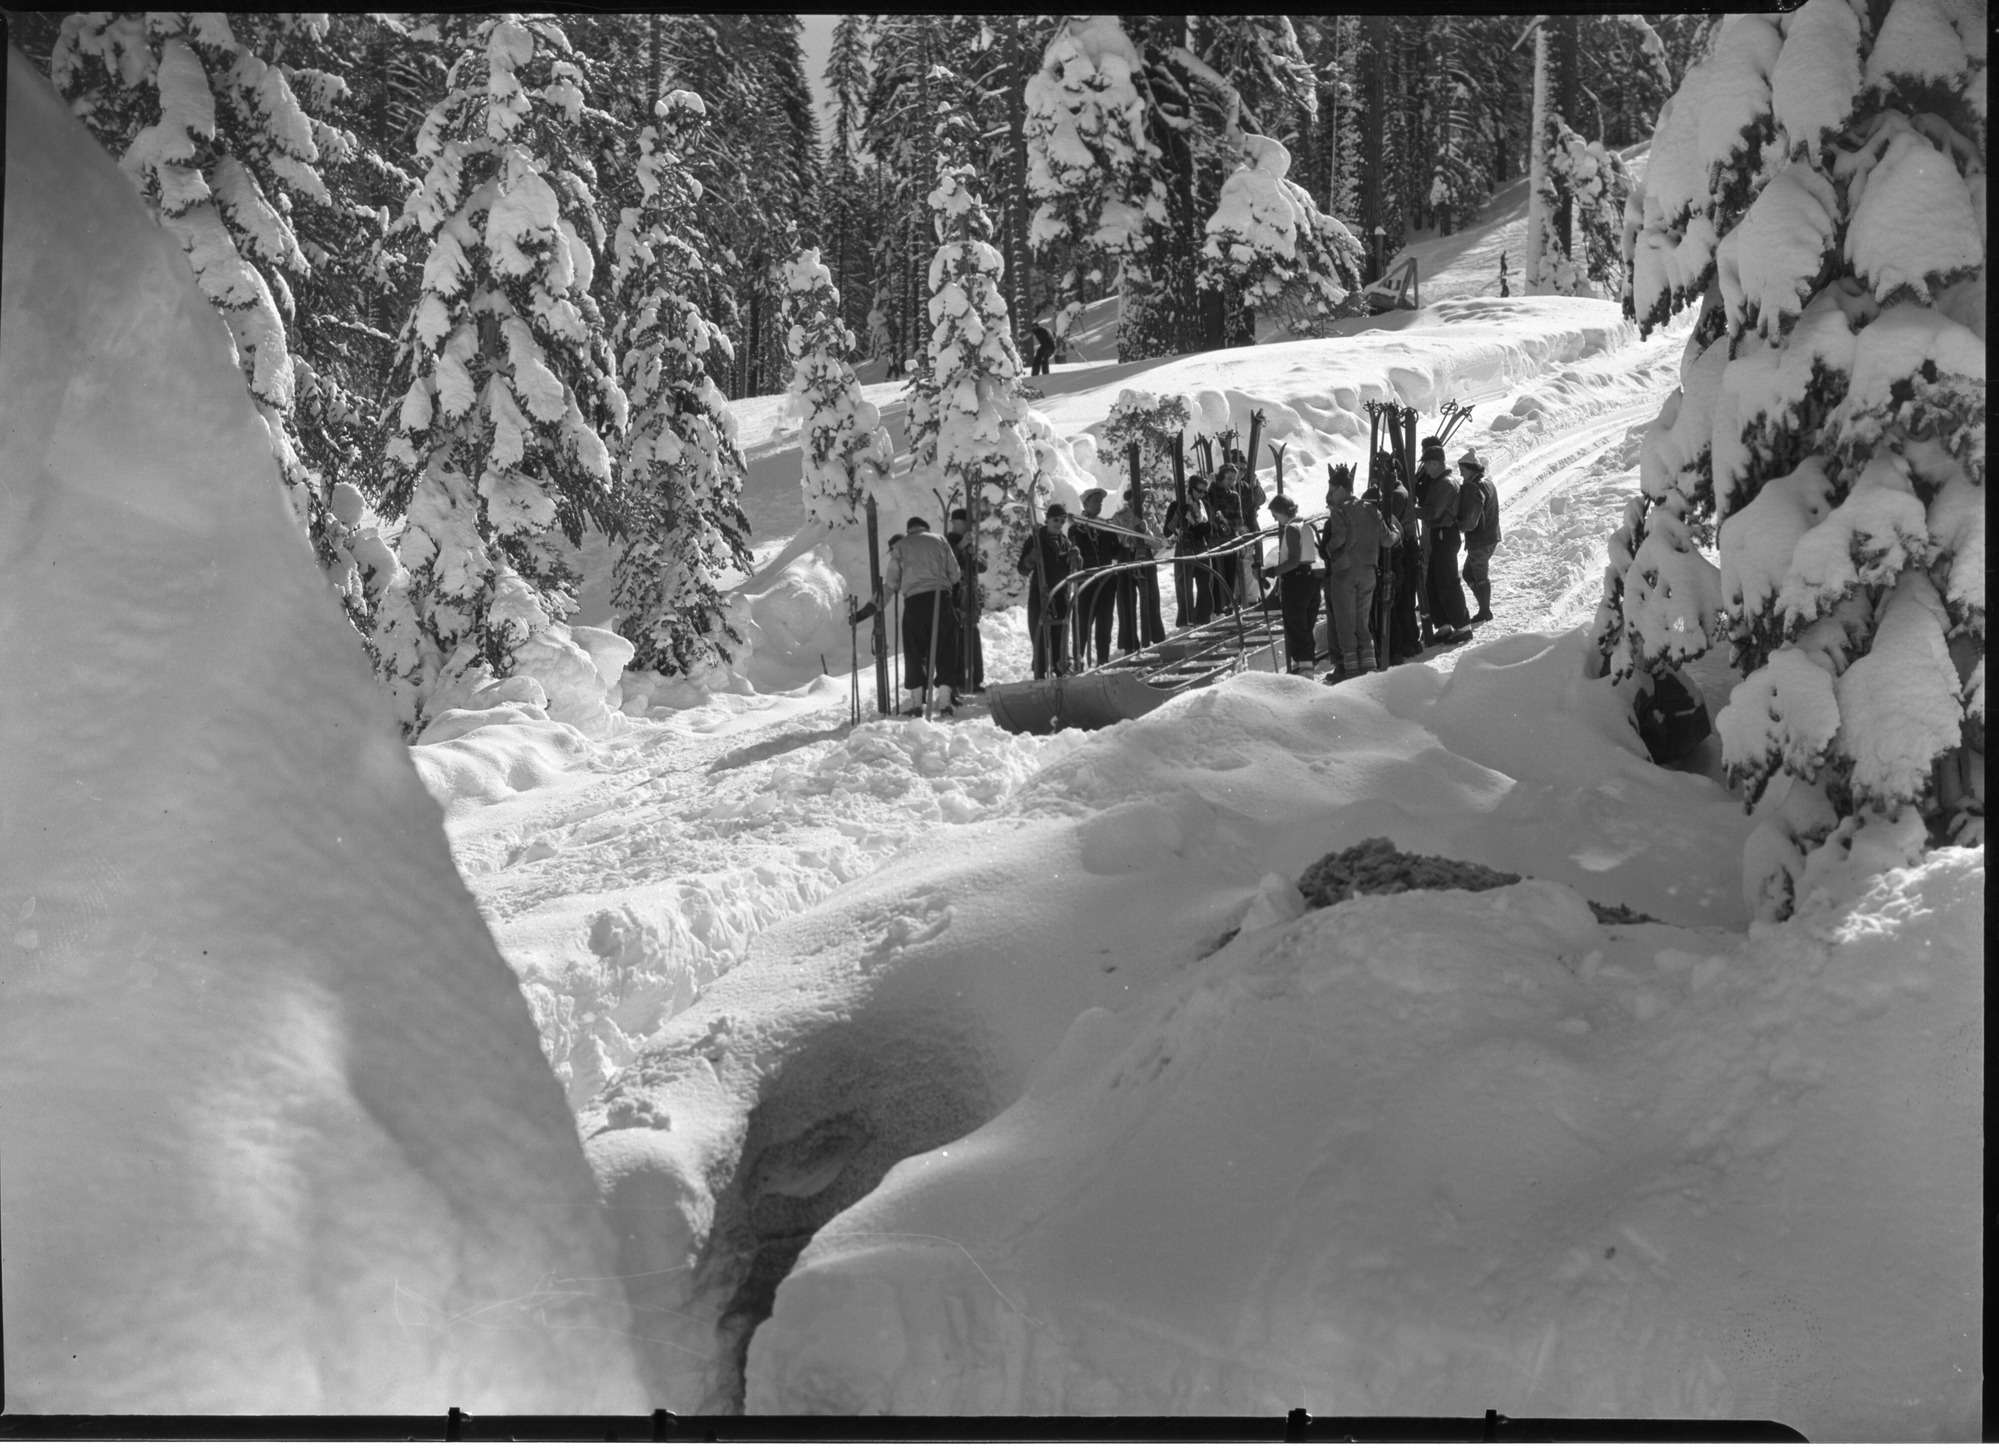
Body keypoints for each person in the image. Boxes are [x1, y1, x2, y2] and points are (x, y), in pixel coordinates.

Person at [1322, 463, 1396, 680]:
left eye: (1332, 489)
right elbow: (1387, 540)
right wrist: (1397, 535)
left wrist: (1326, 550)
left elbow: (1339, 538)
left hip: (1344, 572)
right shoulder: (1371, 509)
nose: (1330, 495)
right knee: (1363, 623)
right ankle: (1370, 670)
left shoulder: (1340, 510)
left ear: (1341, 489)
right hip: (1369, 573)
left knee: (1346, 624)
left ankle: (1352, 673)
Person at [881, 516, 960, 713]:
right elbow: (955, 574)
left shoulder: (901, 545)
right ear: (926, 528)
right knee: (946, 647)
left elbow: (892, 581)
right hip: (941, 600)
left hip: (914, 603)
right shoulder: (940, 540)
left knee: (914, 652)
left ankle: (917, 704)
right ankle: (944, 702)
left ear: (909, 531)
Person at [1413, 436, 1472, 644]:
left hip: (1445, 534)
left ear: (1435, 463)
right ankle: (1444, 625)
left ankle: (1463, 626)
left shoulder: (1446, 484)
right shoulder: (1440, 482)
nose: (1426, 469)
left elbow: (1435, 512)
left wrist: (1412, 511)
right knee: (1434, 582)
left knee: (1448, 582)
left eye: (1428, 464)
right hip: (1439, 535)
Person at [1016, 501, 1081, 679]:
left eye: (1061, 521)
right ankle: (1040, 672)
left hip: (1061, 594)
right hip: (1041, 593)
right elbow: (1022, 569)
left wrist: (1076, 558)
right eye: (1055, 520)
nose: (1058, 524)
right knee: (1040, 634)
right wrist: (1031, 557)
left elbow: (1073, 570)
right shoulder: (1035, 540)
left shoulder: (1066, 543)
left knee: (1060, 634)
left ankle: (1060, 670)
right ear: (1047, 519)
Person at [1265, 495, 1321, 674]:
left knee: (1296, 628)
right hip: (1310, 578)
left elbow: (1293, 560)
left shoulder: (1291, 529)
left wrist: (1272, 572)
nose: (1276, 520)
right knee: (1305, 626)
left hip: (1295, 582)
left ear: (1282, 511)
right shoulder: (1305, 525)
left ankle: (1305, 669)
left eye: (1275, 515)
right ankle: (1307, 665)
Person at [1381, 455, 1422, 665]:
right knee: (1405, 598)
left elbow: (1387, 520)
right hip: (1407, 547)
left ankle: (1407, 642)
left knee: (1402, 600)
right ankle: (1411, 641)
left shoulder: (1396, 494)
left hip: (1403, 549)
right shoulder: (1400, 490)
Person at [1073, 487, 1120, 668]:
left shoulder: (1104, 526)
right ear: (1085, 504)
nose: (1099, 505)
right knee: (1083, 623)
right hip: (1086, 581)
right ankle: (1078, 661)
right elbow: (1075, 547)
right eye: (1095, 502)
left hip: (1106, 580)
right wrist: (1084, 530)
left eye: (1101, 502)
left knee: (1104, 623)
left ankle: (1102, 660)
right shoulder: (1076, 527)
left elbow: (1115, 550)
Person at [1455, 446, 1501, 624]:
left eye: (1463, 470)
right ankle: (1483, 606)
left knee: (1478, 574)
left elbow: (1473, 514)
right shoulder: (1488, 482)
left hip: (1480, 538)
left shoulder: (1475, 487)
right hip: (1490, 535)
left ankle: (1485, 610)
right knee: (1469, 573)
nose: (1461, 474)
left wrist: (1462, 525)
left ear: (1472, 469)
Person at [944, 508, 987, 693]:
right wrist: (962, 546)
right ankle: (958, 678)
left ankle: (975, 678)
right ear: (956, 522)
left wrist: (974, 554)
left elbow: (982, 566)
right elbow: (945, 561)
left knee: (972, 635)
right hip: (955, 597)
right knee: (958, 638)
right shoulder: (947, 541)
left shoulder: (971, 542)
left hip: (970, 595)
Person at [1166, 479, 1214, 627]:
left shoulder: (1204, 505)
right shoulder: (1177, 505)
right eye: (1199, 491)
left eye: (1204, 491)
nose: (1202, 494)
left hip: (1201, 546)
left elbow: (1208, 527)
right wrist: (1178, 516)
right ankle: (1185, 620)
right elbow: (1167, 531)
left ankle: (1203, 618)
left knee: (1205, 582)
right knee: (1184, 585)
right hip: (1185, 545)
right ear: (1191, 489)